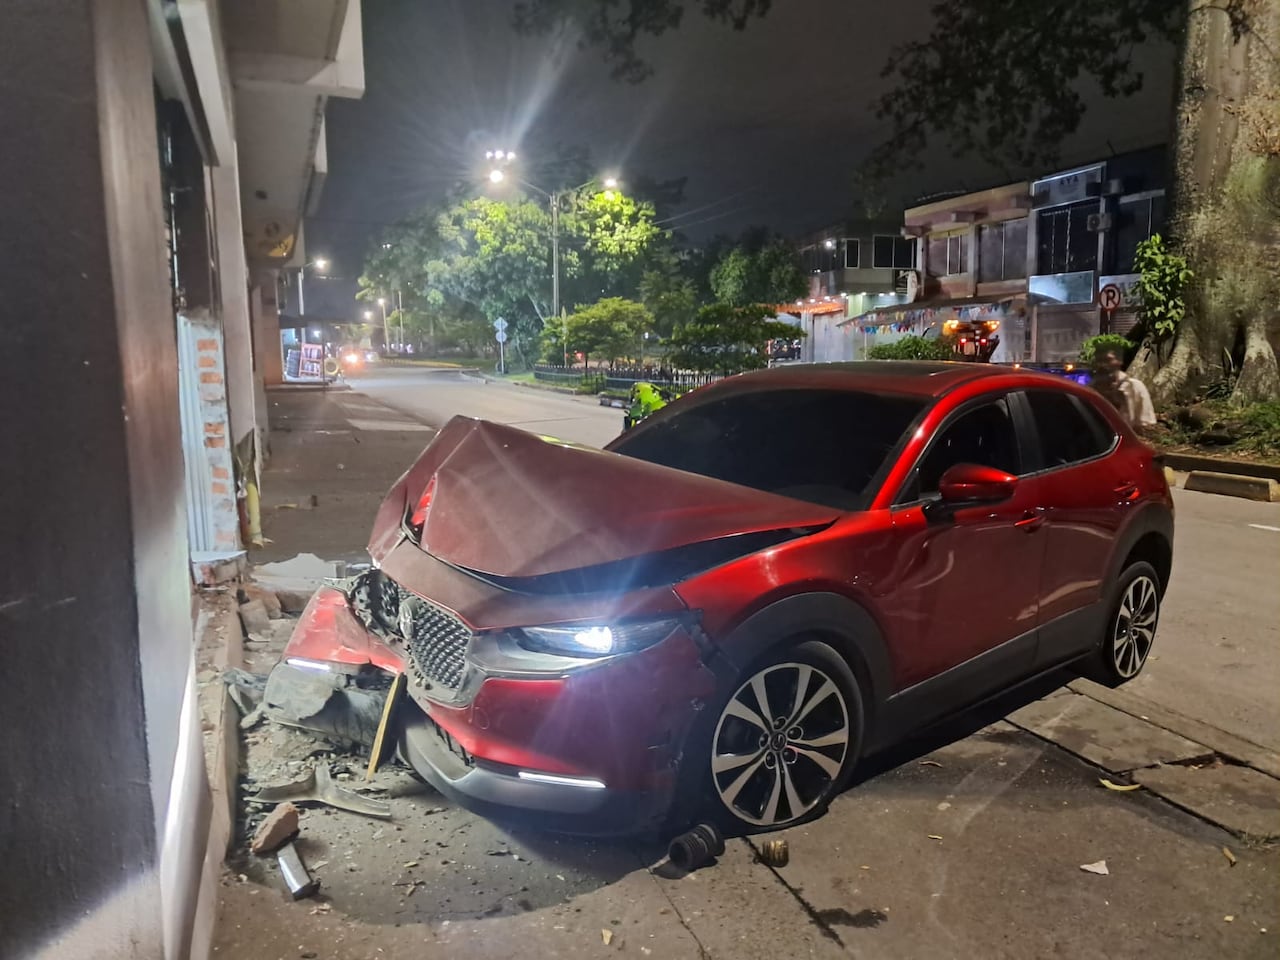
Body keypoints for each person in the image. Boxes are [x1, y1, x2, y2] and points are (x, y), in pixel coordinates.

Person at [1098, 349, 1156, 431]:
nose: (1104, 365)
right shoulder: (1095, 387)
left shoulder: (1136, 386)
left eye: (1109, 360)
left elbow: (1145, 421)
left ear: (1119, 362)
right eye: (1102, 361)